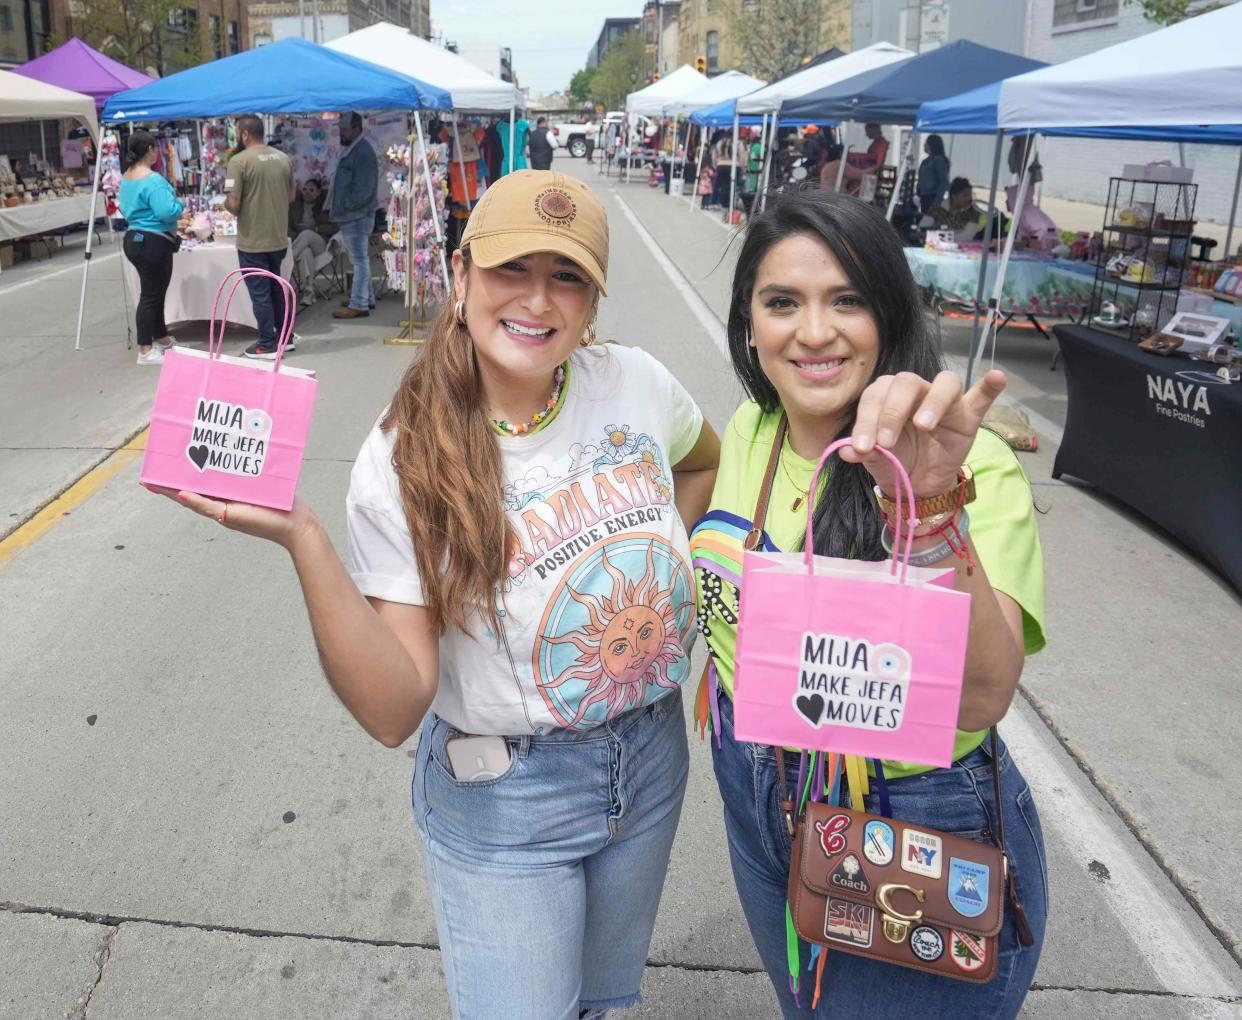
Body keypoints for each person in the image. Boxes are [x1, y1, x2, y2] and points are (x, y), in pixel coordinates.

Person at [152, 169, 721, 1019]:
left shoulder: (632, 382)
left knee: (605, 1002)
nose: (538, 298)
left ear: (593, 302)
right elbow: (393, 710)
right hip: (510, 800)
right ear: (460, 277)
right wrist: (302, 536)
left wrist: (660, 558)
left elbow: (703, 458)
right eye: (510, 270)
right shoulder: (403, 457)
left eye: (567, 275)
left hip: (649, 759)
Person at [690, 188, 1047, 1017]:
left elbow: (984, 695)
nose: (814, 332)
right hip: (757, 787)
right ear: (750, 325)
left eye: (846, 300)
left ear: (887, 314)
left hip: (910, 817)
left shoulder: (969, 468)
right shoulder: (752, 428)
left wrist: (926, 508)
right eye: (783, 303)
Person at [223, 115, 296, 359]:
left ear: (244, 134)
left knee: (260, 293)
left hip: (253, 239)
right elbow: (292, 195)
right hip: (277, 236)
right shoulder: (283, 158)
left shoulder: (239, 161)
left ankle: (267, 343)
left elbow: (233, 203)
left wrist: (228, 204)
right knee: (276, 288)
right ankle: (286, 337)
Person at [118, 130, 186, 365]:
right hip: (153, 242)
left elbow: (125, 208)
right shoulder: (153, 179)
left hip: (135, 238)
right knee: (150, 295)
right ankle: (145, 349)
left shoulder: (127, 176)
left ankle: (162, 338)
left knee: (154, 292)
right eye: (155, 148)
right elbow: (166, 211)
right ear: (149, 150)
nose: (157, 152)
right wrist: (180, 204)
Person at [331, 112, 379, 320]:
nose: (341, 132)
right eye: (340, 128)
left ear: (357, 128)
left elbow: (364, 189)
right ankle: (365, 298)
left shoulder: (363, 151)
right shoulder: (356, 149)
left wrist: (346, 204)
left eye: (345, 128)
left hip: (356, 215)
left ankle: (359, 303)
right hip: (354, 214)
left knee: (359, 260)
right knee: (361, 259)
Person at [288, 177, 337, 308]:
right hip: (301, 242)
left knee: (308, 234)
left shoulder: (325, 206)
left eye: (311, 190)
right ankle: (308, 291)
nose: (307, 192)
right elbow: (288, 228)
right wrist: (296, 236)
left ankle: (287, 261)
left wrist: (315, 229)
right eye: (304, 189)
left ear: (319, 192)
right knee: (305, 251)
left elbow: (335, 227)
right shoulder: (295, 205)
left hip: (321, 244)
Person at [921, 177, 1003, 244]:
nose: (969, 198)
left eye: (969, 195)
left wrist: (936, 235)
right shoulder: (936, 210)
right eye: (964, 195)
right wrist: (954, 234)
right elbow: (922, 231)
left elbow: (966, 238)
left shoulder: (973, 213)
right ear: (953, 195)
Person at [820, 122, 889, 195]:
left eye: (866, 131)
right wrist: (873, 169)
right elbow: (860, 175)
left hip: (827, 197)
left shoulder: (827, 166)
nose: (866, 134)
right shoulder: (839, 165)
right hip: (837, 197)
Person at [917, 133, 951, 215]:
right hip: (924, 197)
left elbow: (943, 182)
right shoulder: (925, 161)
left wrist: (937, 201)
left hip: (933, 196)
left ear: (931, 145)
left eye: (926, 143)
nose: (924, 145)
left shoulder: (938, 160)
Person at [711, 129, 740, 211]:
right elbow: (742, 155)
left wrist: (715, 165)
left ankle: (723, 203)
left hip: (721, 165)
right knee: (732, 185)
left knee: (723, 185)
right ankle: (730, 204)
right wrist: (743, 166)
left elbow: (714, 155)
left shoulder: (719, 143)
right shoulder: (737, 143)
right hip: (735, 166)